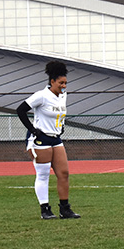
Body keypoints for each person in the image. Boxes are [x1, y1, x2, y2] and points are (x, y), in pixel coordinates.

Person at [16, 60, 80, 220]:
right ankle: (45, 209)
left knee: (64, 173)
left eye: (65, 83)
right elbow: (21, 110)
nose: (64, 86)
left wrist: (61, 126)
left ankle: (65, 209)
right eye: (61, 83)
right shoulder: (41, 96)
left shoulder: (63, 95)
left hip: (56, 139)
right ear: (52, 81)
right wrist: (32, 129)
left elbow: (60, 115)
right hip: (41, 139)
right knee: (43, 174)